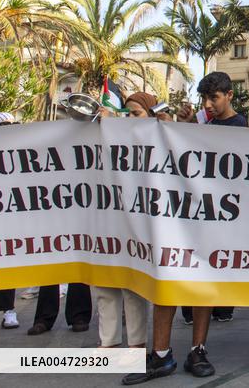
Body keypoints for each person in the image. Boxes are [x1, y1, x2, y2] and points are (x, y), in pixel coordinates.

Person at [123, 72, 247, 384]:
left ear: (229, 95)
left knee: (201, 286)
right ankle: (161, 354)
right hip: (180, 215)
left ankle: (197, 349)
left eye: (214, 98)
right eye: (205, 98)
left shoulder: (239, 126)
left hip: (212, 218)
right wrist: (184, 126)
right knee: (167, 279)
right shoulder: (202, 122)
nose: (209, 104)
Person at [91, 93, 159, 349]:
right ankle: (107, 342)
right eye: (127, 113)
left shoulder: (157, 136)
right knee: (105, 284)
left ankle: (137, 343)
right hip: (107, 220)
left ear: (150, 115)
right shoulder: (108, 136)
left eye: (136, 114)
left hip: (137, 224)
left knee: (133, 286)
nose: (130, 119)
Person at [0, 113, 21, 331]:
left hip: (10, 214)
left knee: (6, 260)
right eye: (5, 125)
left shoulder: (20, 150)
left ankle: (9, 311)